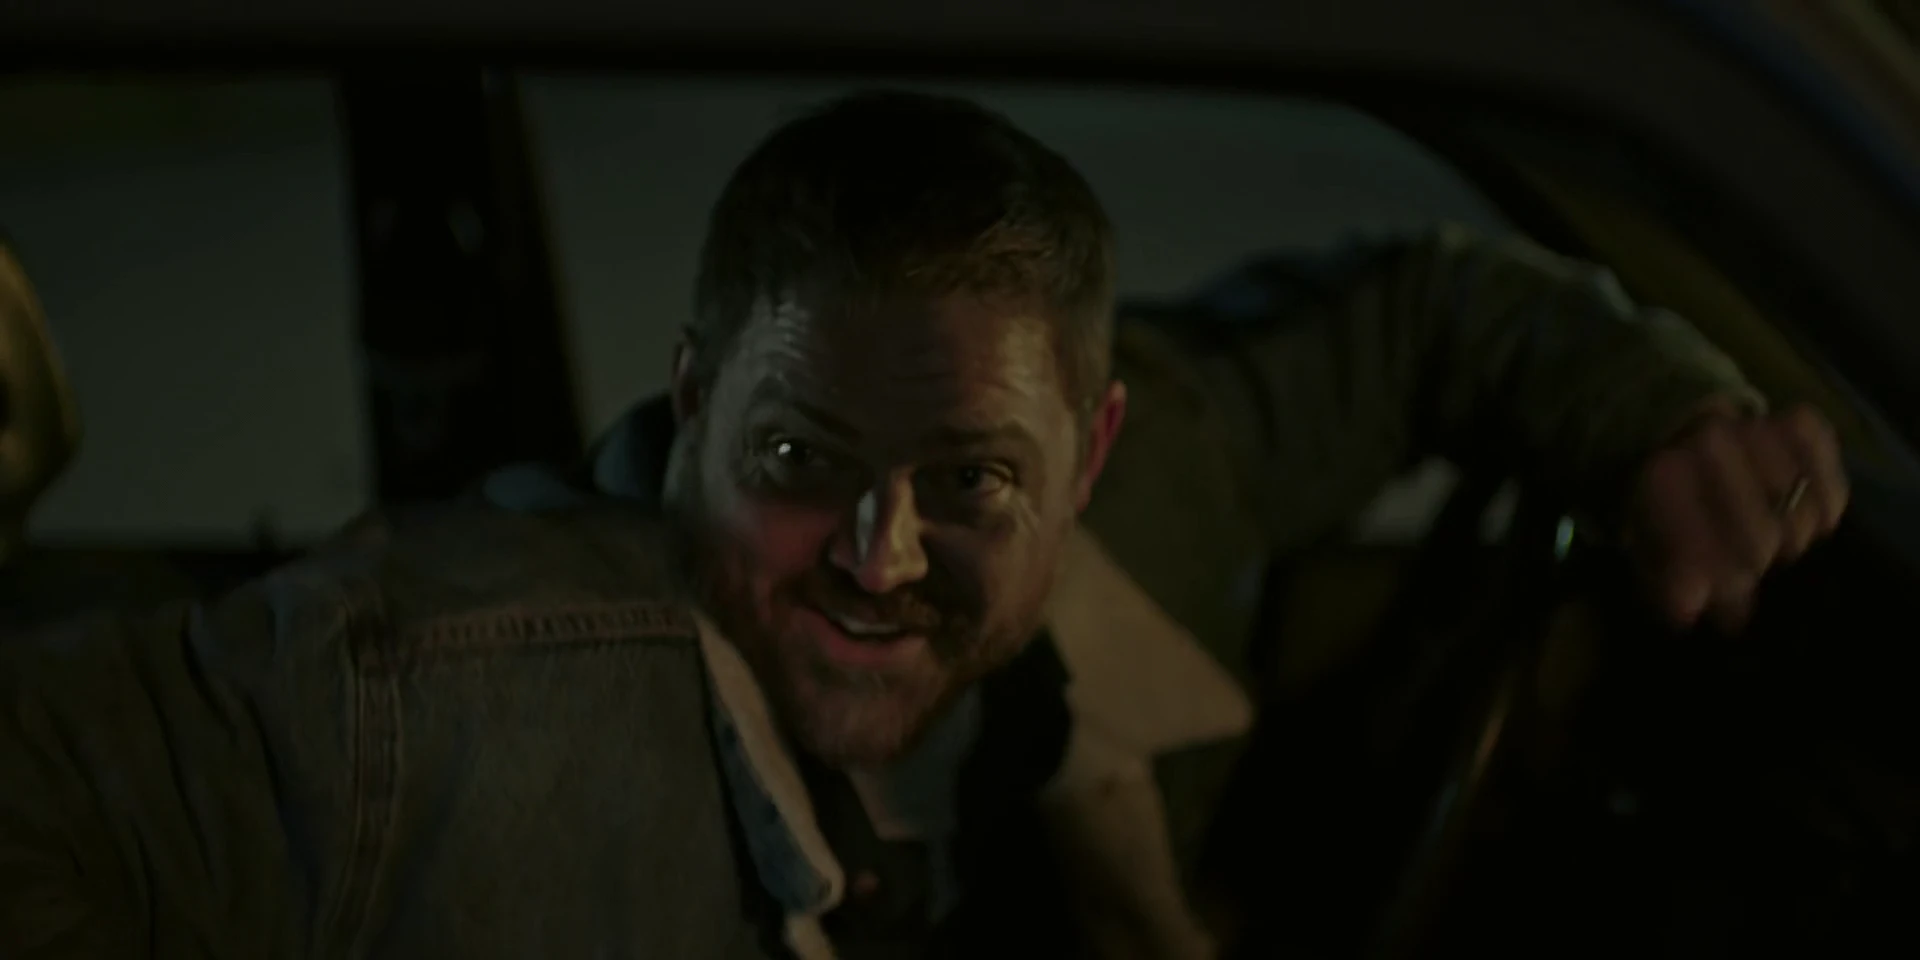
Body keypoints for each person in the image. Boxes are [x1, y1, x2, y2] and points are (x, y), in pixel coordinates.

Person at [0, 92, 1848, 958]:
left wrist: (1664, 422)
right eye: (797, 456)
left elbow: (1442, 309)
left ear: (1091, 450)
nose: (877, 556)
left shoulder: (1174, 471)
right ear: (693, 398)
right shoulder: (436, 691)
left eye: (969, 482)